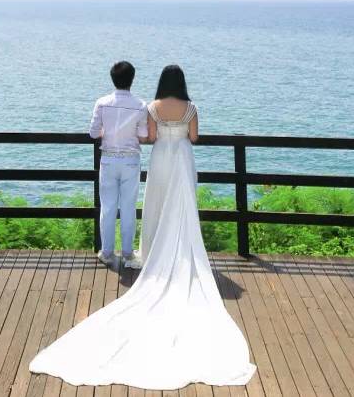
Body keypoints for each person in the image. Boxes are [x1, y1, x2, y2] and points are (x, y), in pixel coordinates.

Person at [29, 64, 256, 389]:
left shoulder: (151, 107)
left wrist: (154, 134)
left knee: (156, 204)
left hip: (161, 156)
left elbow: (149, 137)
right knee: (183, 205)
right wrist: (180, 133)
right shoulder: (191, 108)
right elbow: (194, 137)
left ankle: (146, 251)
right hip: (182, 157)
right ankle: (182, 252)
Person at [89, 60, 147, 268]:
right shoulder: (141, 105)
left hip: (108, 159)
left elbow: (93, 133)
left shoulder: (102, 103)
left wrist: (106, 133)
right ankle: (128, 253)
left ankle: (107, 252)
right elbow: (143, 136)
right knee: (129, 207)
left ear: (113, 78)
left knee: (108, 206)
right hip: (130, 160)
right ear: (132, 79)